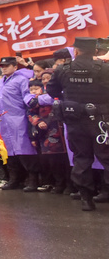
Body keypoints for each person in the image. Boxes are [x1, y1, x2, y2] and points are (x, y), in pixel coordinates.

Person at [46, 37, 109, 211]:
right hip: (102, 119)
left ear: (76, 50)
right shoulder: (104, 68)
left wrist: (71, 100)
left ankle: (86, 199)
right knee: (107, 157)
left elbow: (52, 91)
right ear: (95, 51)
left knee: (81, 158)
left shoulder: (62, 70)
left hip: (75, 120)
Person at [0, 57, 36, 190]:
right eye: (2, 65)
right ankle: (14, 179)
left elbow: (26, 95)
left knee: (24, 149)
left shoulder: (21, 80)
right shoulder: (0, 82)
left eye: (7, 65)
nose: (4, 68)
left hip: (18, 118)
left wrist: (33, 101)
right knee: (8, 151)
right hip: (3, 121)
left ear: (15, 67)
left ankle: (32, 180)